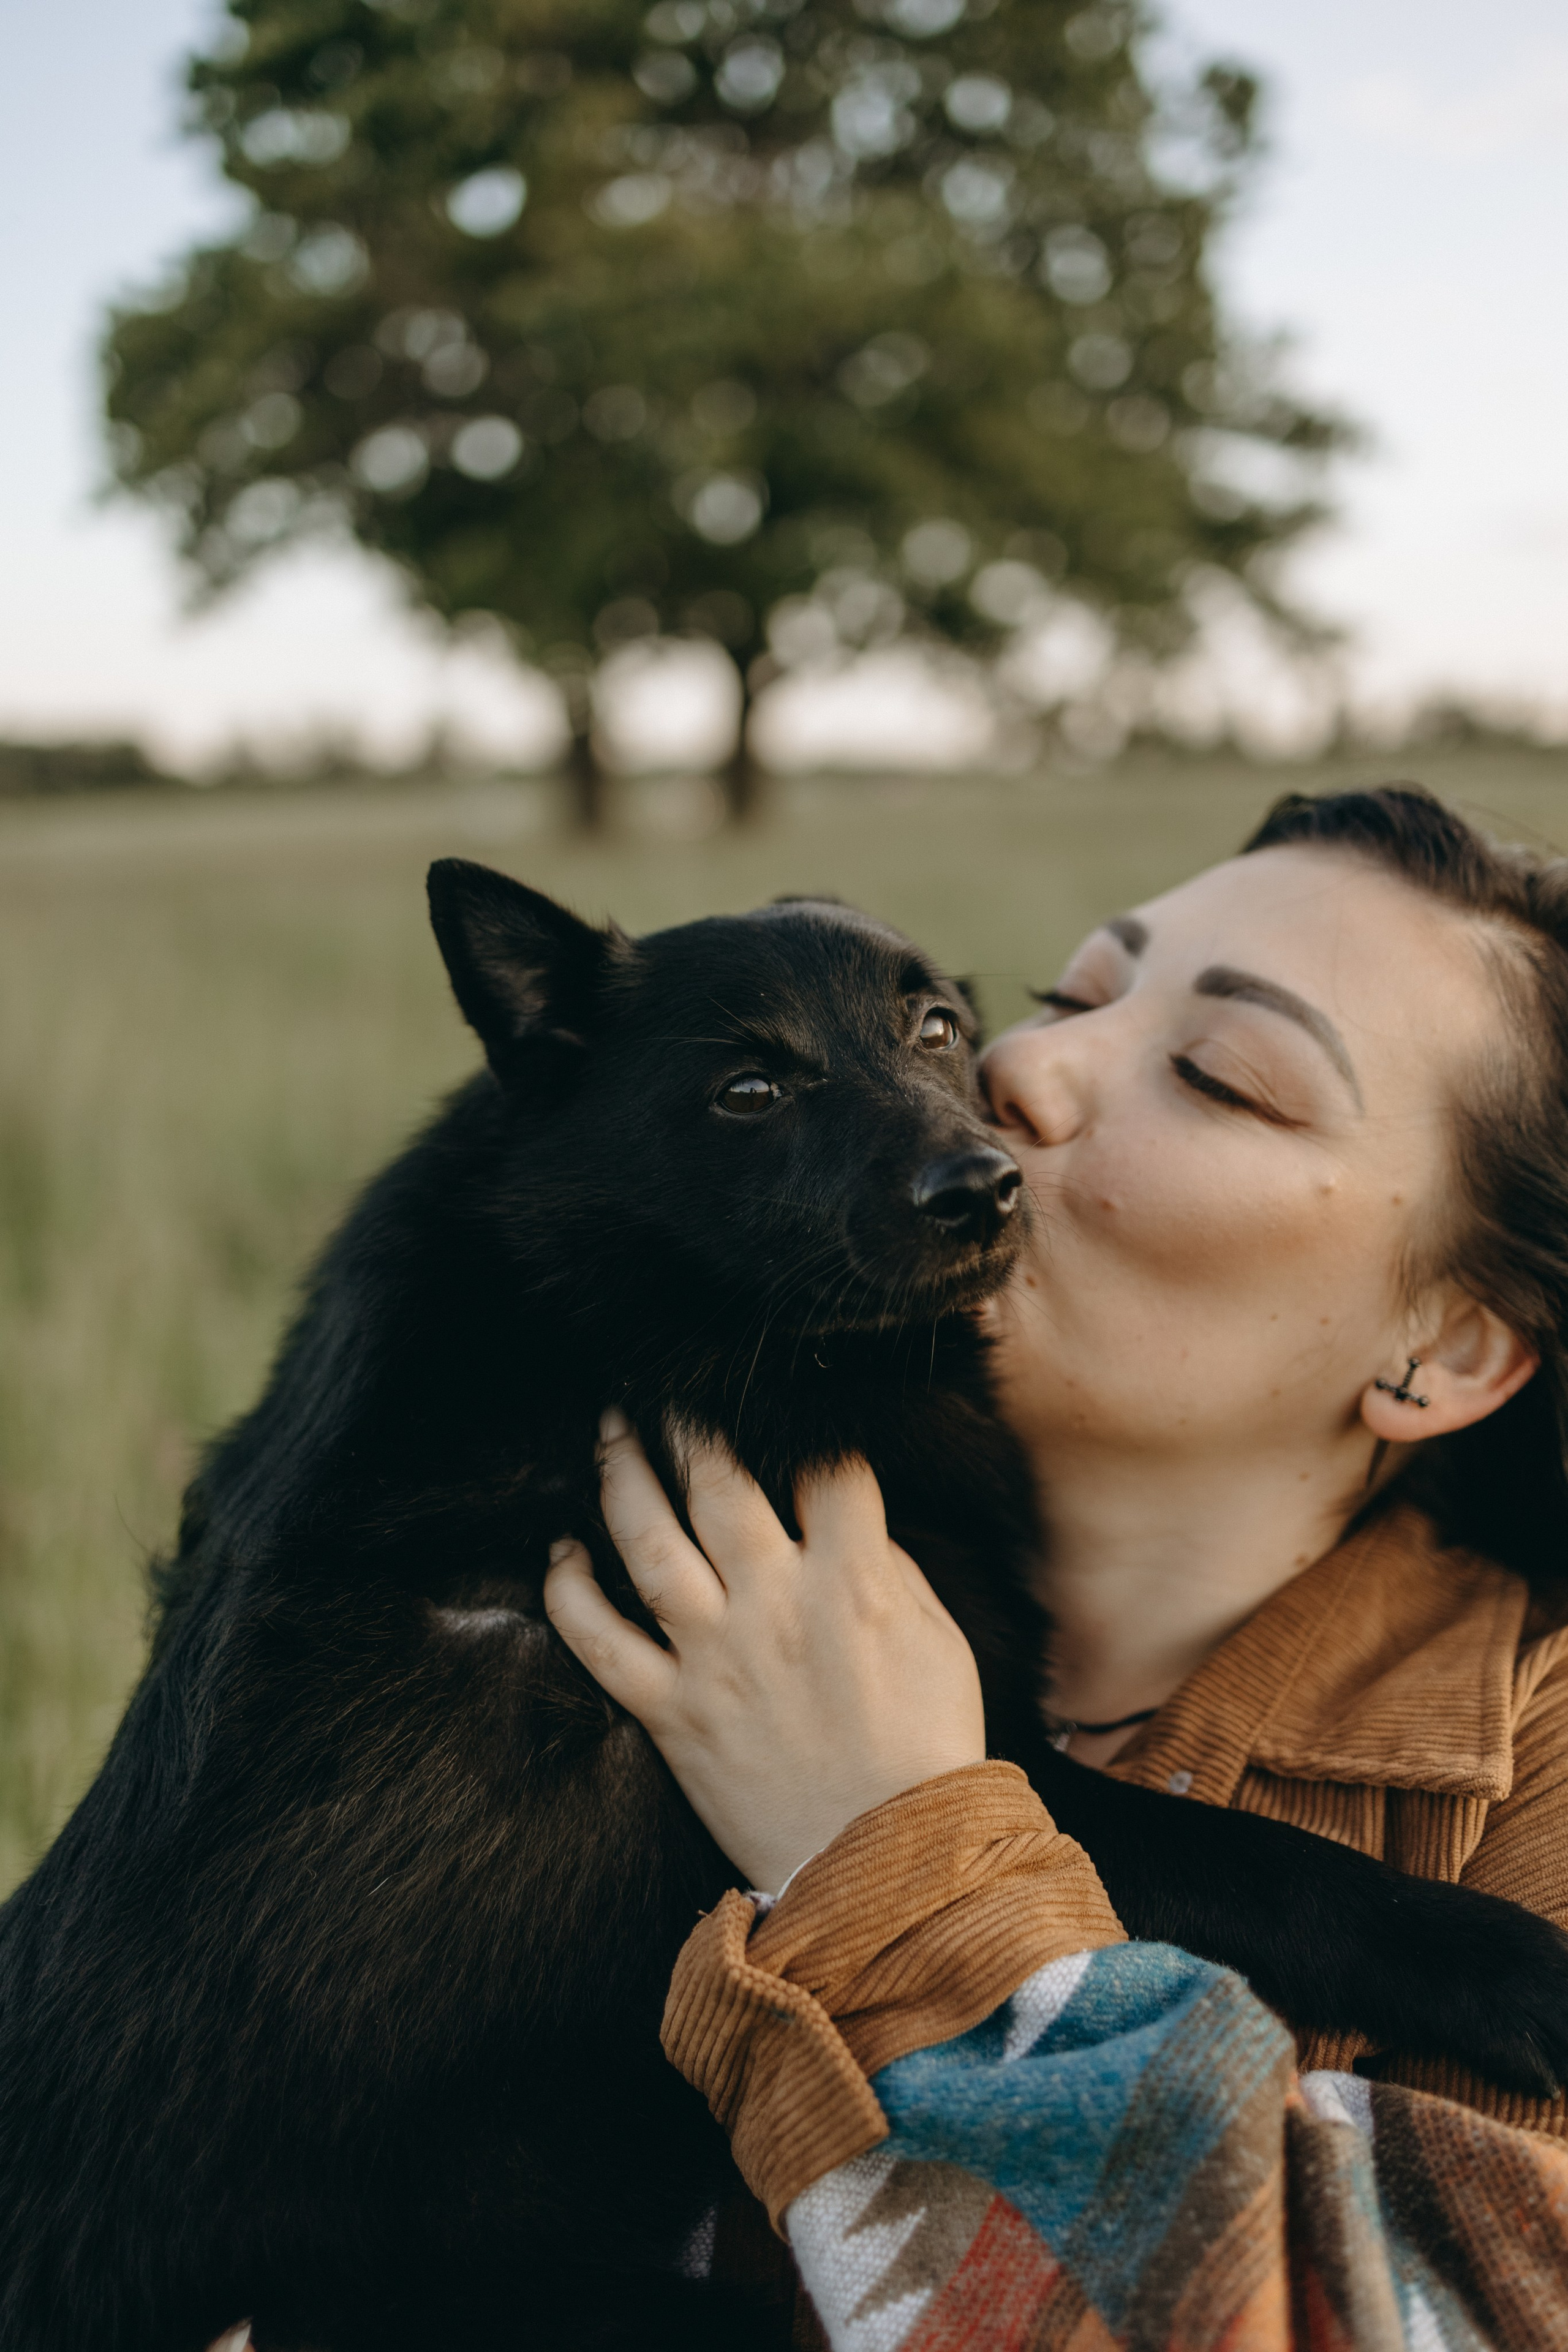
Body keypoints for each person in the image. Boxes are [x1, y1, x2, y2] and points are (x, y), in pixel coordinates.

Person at [546, 787, 1568, 2348]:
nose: (1014, 1070)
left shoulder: (1529, 1802)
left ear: (1441, 1348)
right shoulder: (563, 1597)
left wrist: (890, 1854)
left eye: (1222, 1078)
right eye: (1063, 998)